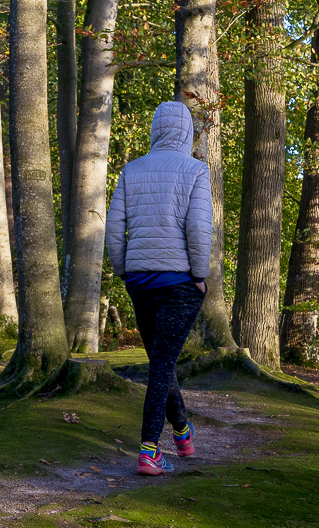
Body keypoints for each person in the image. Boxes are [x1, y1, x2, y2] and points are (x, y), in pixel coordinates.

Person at [105, 101, 213, 475]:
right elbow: (199, 230)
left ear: (155, 129)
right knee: (162, 364)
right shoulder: (197, 170)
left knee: (161, 360)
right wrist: (200, 275)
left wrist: (124, 269)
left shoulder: (131, 170)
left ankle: (182, 434)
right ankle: (149, 449)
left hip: (140, 280)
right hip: (179, 282)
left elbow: (113, 229)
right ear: (186, 131)